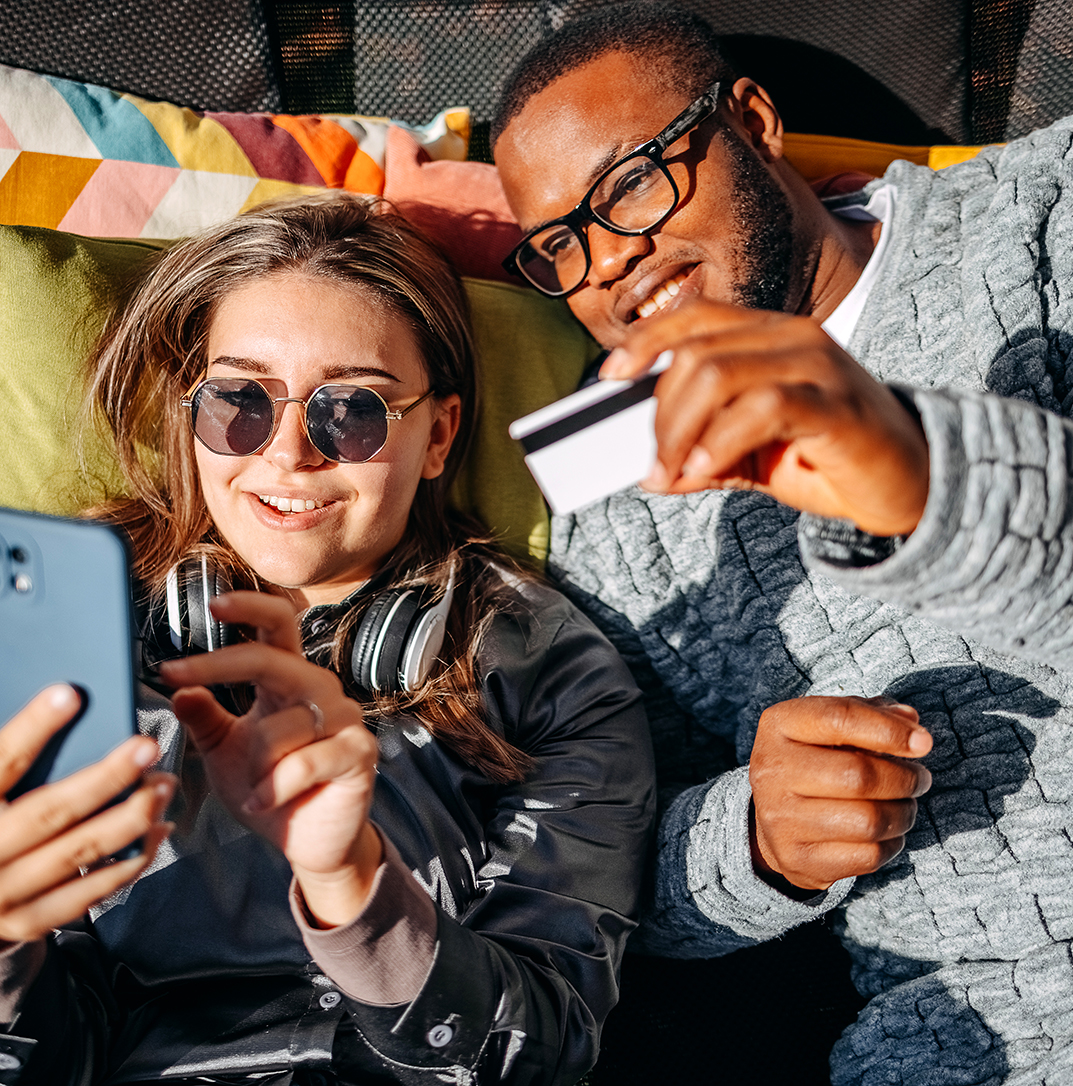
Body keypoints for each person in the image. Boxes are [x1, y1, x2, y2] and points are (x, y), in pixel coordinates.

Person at [490, 4, 1073, 1084]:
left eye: (631, 182)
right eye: (561, 244)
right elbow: (617, 880)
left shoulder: (1051, 212)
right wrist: (753, 841)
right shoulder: (613, 507)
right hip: (970, 1037)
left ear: (753, 122)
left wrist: (923, 477)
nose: (612, 261)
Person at [0, 193, 655, 1086]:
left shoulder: (551, 670)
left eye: (352, 410)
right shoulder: (56, 624)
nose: (289, 456)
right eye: (237, 400)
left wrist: (353, 887)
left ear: (440, 436)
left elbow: (545, 1045)